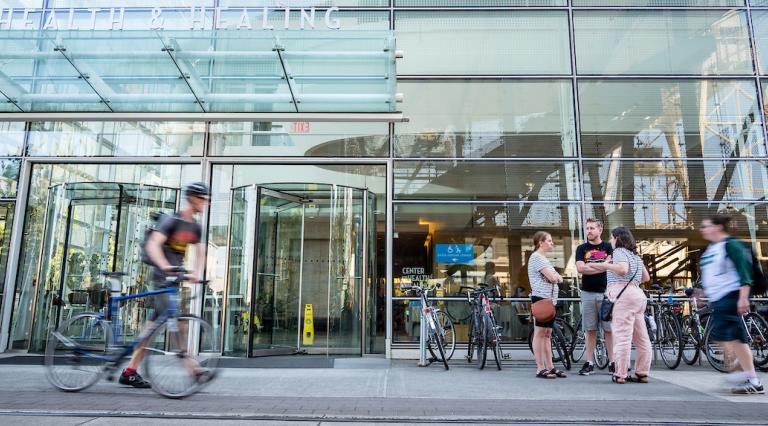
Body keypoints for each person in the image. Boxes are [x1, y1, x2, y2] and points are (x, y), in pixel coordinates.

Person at [118, 182, 210, 388]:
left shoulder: (195, 227)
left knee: (151, 329)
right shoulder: (171, 221)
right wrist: (165, 266)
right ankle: (193, 369)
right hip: (161, 279)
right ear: (193, 198)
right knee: (178, 323)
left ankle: (129, 371)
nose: (207, 204)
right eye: (204, 199)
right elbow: (153, 245)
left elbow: (201, 252)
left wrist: (196, 273)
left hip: (173, 283)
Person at [699, 214, 764, 394]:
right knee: (732, 338)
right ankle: (745, 376)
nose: (702, 229)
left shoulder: (731, 245)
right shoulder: (713, 248)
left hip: (730, 296)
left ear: (718, 227)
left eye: (706, 226)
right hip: (720, 298)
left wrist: (743, 298)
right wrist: (702, 293)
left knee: (731, 338)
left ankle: (746, 376)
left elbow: (744, 273)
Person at [590, 227, 651, 384]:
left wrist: (605, 266)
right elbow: (646, 277)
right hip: (637, 295)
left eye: (611, 238)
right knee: (642, 338)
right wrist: (602, 265)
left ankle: (620, 374)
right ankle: (642, 372)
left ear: (617, 238)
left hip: (622, 295)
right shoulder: (635, 256)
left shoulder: (618, 252)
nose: (610, 241)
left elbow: (623, 270)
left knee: (622, 337)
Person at [575, 218, 615, 376]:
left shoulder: (608, 247)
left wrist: (591, 266)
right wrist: (604, 266)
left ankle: (613, 362)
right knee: (590, 329)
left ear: (600, 230)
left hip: (607, 293)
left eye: (592, 228)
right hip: (588, 293)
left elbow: (613, 267)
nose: (589, 231)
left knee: (609, 329)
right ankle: (589, 362)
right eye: (587, 228)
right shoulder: (581, 248)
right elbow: (580, 268)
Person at [528, 231, 566, 379]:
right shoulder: (537, 258)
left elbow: (558, 278)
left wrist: (555, 277)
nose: (552, 243)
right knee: (540, 333)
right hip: (541, 299)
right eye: (549, 241)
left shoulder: (543, 259)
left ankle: (550, 366)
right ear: (540, 242)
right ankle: (540, 368)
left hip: (549, 300)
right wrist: (554, 276)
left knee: (547, 334)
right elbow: (553, 277)